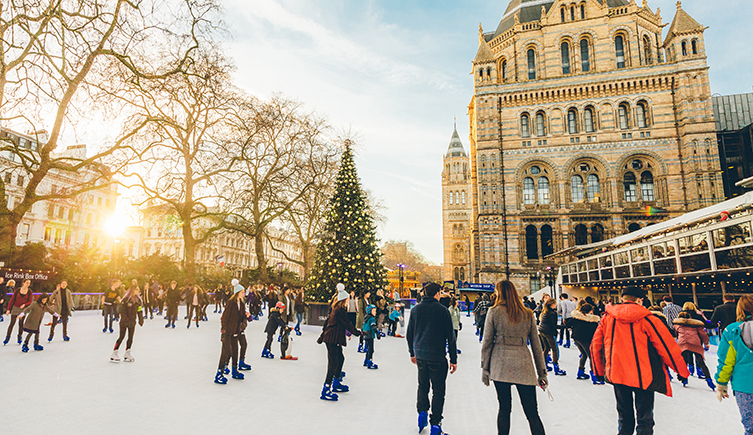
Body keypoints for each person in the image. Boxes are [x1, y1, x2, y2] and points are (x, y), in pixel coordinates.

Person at [591, 286, 689, 435]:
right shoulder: (649, 319)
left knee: (624, 417)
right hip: (643, 376)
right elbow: (667, 347)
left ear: (623, 298)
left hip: (618, 374)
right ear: (640, 299)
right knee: (645, 419)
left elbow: (595, 346)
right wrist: (681, 371)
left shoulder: (607, 318)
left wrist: (598, 370)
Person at [481, 281, 546, 435]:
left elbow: (487, 342)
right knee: (532, 412)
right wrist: (541, 372)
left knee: (504, 409)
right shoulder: (527, 313)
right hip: (523, 364)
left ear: (499, 292)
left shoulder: (494, 312)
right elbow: (537, 346)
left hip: (500, 364)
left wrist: (485, 368)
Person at [406, 283, 457, 435]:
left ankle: (422, 412)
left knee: (422, 386)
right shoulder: (443, 311)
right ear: (436, 294)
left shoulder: (416, 310)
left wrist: (412, 353)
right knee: (438, 390)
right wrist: (453, 359)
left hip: (421, 355)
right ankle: (435, 423)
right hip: (437, 357)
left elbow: (410, 334)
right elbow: (451, 337)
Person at [714, 294, 753, 435]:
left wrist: (721, 383)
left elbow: (726, 362)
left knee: (751, 427)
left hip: (744, 387)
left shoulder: (732, 331)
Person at [317, 283, 361, 401]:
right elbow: (346, 323)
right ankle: (326, 388)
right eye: (347, 299)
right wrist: (357, 333)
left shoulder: (337, 309)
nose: (348, 300)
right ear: (344, 299)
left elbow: (328, 322)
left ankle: (336, 382)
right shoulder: (339, 310)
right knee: (333, 363)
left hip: (333, 338)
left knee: (340, 359)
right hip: (332, 339)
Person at [214, 283, 250, 383]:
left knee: (235, 350)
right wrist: (223, 330)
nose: (244, 294)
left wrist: (247, 316)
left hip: (236, 331)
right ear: (237, 293)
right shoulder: (231, 303)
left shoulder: (241, 304)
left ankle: (234, 370)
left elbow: (241, 316)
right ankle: (219, 373)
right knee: (225, 352)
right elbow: (224, 317)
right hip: (228, 331)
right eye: (242, 292)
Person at [674, 312, 714, 389]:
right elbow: (703, 334)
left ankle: (684, 378)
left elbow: (677, 335)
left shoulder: (677, 325)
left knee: (684, 362)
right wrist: (706, 343)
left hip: (683, 343)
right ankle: (709, 379)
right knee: (701, 362)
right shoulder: (696, 325)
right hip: (695, 344)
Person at [109, 284, 144, 362]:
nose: (138, 291)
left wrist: (140, 319)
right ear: (132, 290)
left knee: (131, 337)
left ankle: (128, 352)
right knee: (121, 336)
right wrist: (125, 319)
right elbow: (122, 311)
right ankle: (114, 352)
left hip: (132, 321)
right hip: (124, 322)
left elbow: (139, 310)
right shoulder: (126, 299)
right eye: (136, 289)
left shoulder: (138, 300)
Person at [570, 303, 601, 383]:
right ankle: (594, 376)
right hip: (586, 340)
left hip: (576, 338)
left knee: (584, 354)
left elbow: (568, 324)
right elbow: (595, 332)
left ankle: (580, 372)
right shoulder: (593, 320)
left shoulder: (577, 317)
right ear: (590, 310)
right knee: (591, 356)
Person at [538, 297, 565, 376]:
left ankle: (544, 365)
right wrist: (564, 327)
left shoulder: (545, 312)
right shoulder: (552, 313)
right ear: (551, 305)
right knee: (554, 349)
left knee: (546, 348)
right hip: (548, 332)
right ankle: (556, 367)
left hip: (542, 330)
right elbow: (554, 325)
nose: (556, 305)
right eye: (555, 304)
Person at [4, 279, 33, 345]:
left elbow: (30, 301)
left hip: (23, 309)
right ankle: (7, 337)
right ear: (23, 283)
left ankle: (19, 337)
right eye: (27, 283)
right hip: (15, 308)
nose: (28, 284)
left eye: (29, 283)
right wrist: (8, 309)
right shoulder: (17, 290)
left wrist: (24, 305)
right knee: (12, 323)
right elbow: (12, 300)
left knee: (21, 324)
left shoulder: (29, 291)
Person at [361, 304, 379, 369]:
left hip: (366, 334)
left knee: (368, 348)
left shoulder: (366, 317)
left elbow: (363, 327)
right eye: (373, 311)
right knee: (371, 349)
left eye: (375, 311)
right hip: (370, 335)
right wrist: (377, 333)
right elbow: (373, 326)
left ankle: (366, 360)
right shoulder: (371, 318)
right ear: (369, 311)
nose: (375, 312)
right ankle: (370, 362)